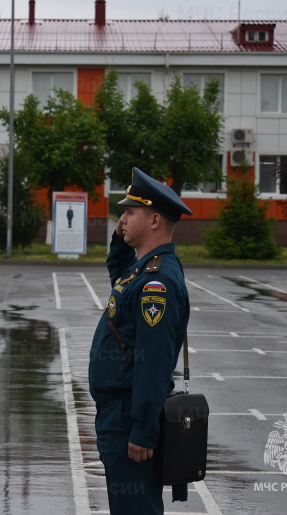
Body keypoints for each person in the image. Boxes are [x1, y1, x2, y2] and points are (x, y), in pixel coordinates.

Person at [88, 167, 193, 514]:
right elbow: (119, 275)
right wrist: (120, 240)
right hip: (119, 413)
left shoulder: (156, 284)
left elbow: (154, 362)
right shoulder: (143, 270)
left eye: (130, 212)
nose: (123, 218)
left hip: (129, 416)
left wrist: (143, 431)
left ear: (154, 221)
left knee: (135, 509)